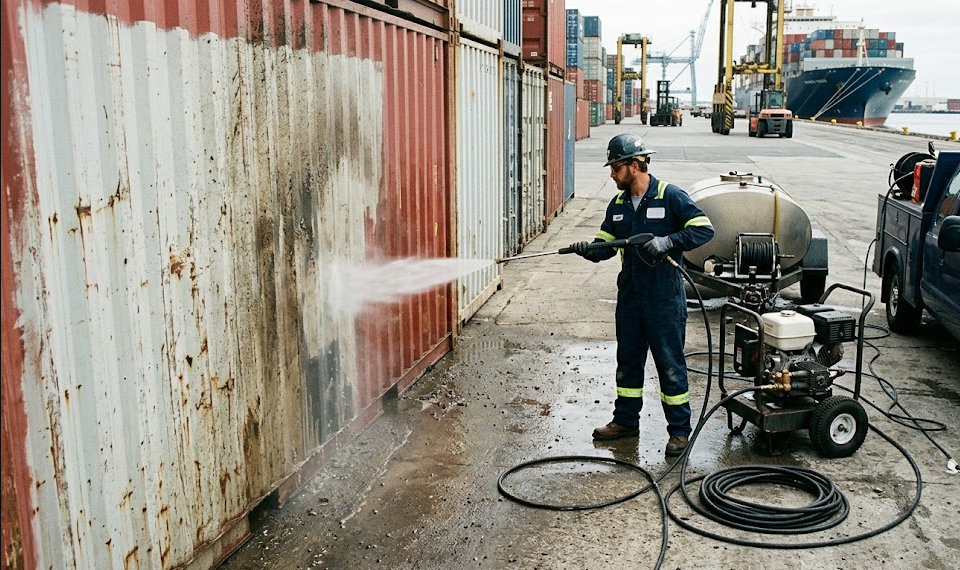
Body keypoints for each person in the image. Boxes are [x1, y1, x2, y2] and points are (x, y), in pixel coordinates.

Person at [568, 133, 714, 456]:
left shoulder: (670, 196)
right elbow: (605, 244)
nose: (611, 174)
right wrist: (586, 250)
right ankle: (625, 422)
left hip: (664, 300)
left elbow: (705, 228)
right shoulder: (618, 206)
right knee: (628, 364)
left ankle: (679, 432)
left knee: (670, 365)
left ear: (635, 165)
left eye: (616, 168)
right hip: (631, 300)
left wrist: (670, 242)